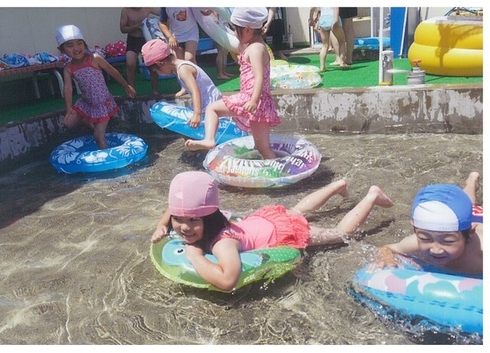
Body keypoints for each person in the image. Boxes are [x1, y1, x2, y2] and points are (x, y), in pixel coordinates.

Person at [151, 171, 394, 291]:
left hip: (279, 234)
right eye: (178, 219)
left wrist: (195, 256)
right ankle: (337, 185)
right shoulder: (203, 215)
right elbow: (172, 210)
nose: (184, 227)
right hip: (264, 220)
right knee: (296, 211)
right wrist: (163, 224)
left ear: (209, 216)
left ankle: (372, 196)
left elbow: (227, 280)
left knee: (339, 234)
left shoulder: (222, 243)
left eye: (193, 220)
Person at [185, 8, 280, 159]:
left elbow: (259, 76)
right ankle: (278, 176)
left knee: (212, 108)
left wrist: (254, 100)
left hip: (251, 99)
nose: (235, 33)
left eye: (236, 30)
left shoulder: (255, 49)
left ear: (248, 30)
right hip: (261, 102)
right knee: (262, 147)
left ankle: (209, 140)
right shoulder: (257, 45)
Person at [371, 172, 483, 275]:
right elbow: (387, 248)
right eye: (425, 238)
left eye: (448, 241)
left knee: (470, 207)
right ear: (414, 229)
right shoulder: (414, 243)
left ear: (470, 233)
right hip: (462, 221)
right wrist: (387, 258)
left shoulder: (481, 255)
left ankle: (471, 183)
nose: (435, 250)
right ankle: (472, 182)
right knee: (467, 205)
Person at [55, 24, 136, 149]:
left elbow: (113, 72)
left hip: (102, 103)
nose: (76, 48)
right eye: (70, 45)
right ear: (62, 50)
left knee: (98, 137)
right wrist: (69, 108)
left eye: (79, 43)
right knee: (69, 123)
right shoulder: (69, 68)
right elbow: (68, 88)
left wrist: (126, 86)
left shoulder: (95, 59)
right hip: (87, 103)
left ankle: (109, 162)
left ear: (84, 44)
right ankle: (88, 122)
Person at [141, 39, 221, 128]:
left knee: (184, 124)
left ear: (160, 63)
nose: (159, 74)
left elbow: (195, 91)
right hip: (205, 103)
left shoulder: (183, 69)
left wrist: (197, 114)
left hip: (210, 105)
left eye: (156, 71)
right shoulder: (178, 68)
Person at [158, 7, 200, 97]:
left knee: (189, 58)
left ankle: (198, 84)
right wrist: (169, 37)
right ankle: (184, 87)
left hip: (191, 33)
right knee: (179, 64)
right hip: (177, 36)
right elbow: (162, 23)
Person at [120, 7, 160, 97]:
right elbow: (122, 29)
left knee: (152, 64)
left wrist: (155, 23)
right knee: (130, 64)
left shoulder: (147, 7)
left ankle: (155, 90)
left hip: (146, 38)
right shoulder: (126, 10)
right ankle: (131, 90)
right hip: (133, 40)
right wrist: (137, 26)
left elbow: (163, 13)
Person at [309, 7, 348, 71]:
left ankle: (322, 66)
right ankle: (342, 62)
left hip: (323, 19)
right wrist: (335, 20)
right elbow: (336, 7)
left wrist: (310, 19)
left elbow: (312, 8)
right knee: (342, 41)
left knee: (324, 45)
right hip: (332, 17)